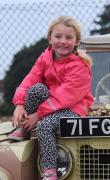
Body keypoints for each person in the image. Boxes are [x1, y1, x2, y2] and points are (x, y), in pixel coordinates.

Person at [8, 16, 94, 180]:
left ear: (76, 42)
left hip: (73, 109)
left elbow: (65, 96)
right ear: (50, 38)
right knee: (37, 89)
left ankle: (50, 171)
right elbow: (30, 79)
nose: (63, 41)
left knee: (44, 126)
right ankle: (26, 127)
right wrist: (19, 104)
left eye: (69, 38)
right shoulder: (45, 57)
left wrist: (38, 115)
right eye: (58, 36)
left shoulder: (79, 66)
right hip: (50, 105)